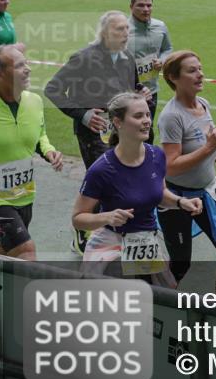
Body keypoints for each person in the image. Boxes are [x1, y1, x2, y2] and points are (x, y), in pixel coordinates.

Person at [45, 10, 150, 254]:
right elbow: (53, 89)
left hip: (121, 132)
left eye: (127, 29)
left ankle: (114, 229)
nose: (125, 34)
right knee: (104, 181)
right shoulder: (83, 58)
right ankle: (82, 229)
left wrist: (140, 93)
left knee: (120, 180)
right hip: (93, 134)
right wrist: (82, 115)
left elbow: (132, 87)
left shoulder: (127, 57)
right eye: (119, 29)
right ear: (104, 33)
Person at [73, 92, 202, 286]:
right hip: (111, 242)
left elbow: (158, 194)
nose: (146, 121)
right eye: (138, 116)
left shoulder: (156, 156)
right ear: (118, 122)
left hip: (145, 240)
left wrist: (180, 202)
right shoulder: (101, 169)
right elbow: (78, 218)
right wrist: (106, 217)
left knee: (167, 292)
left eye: (148, 115)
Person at [157, 50, 216, 293]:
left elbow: (205, 135)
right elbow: (170, 165)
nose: (200, 74)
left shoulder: (203, 104)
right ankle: (153, 305)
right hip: (178, 199)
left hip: (209, 193)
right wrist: (209, 148)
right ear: (173, 77)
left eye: (200, 68)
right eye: (192, 71)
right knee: (180, 265)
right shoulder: (171, 117)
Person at [0, 46, 63, 261]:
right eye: (19, 66)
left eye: (26, 63)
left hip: (24, 193)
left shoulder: (34, 102)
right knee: (26, 250)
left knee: (8, 254)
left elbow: (40, 134)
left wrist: (49, 151)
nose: (27, 69)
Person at [127, 0, 173, 144]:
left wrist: (163, 60)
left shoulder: (160, 27)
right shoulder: (123, 30)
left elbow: (168, 48)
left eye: (149, 5)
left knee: (146, 135)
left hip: (151, 91)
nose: (146, 9)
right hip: (127, 94)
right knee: (126, 136)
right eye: (140, 5)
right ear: (131, 7)